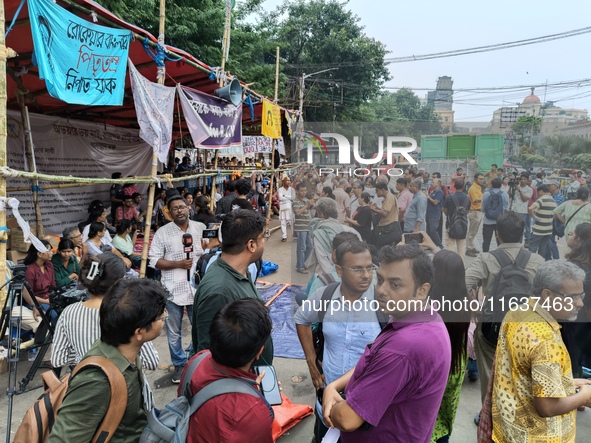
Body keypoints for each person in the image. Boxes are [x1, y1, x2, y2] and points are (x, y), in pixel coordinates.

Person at [322, 245, 451, 442]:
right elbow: (374, 356)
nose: (381, 290)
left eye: (395, 285)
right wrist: (334, 386)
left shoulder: (403, 348)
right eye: (380, 279)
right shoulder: (421, 316)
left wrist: (330, 403)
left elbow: (347, 419)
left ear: (422, 290)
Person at [47, 278, 168, 443]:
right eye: (160, 317)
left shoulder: (124, 348)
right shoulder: (97, 380)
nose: (165, 316)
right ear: (139, 331)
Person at [491, 260, 591, 442]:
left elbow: (522, 372)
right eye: (573, 297)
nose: (580, 304)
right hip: (538, 436)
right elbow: (547, 407)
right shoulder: (546, 341)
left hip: (509, 428)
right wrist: (585, 396)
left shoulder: (517, 312)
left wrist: (565, 381)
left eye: (581, 295)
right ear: (547, 295)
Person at [295, 240, 382, 441]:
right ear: (339, 270)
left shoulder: (382, 302)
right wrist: (311, 361)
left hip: (365, 408)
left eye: (369, 268)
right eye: (357, 269)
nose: (366, 275)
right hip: (326, 403)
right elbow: (301, 319)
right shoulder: (324, 296)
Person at [465, 211, 545, 405]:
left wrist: (474, 306)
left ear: (497, 233)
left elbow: (463, 283)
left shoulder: (485, 259)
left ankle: (489, 415)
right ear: (522, 233)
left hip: (492, 327)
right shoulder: (538, 260)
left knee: (490, 375)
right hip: (527, 331)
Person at [184, 299, 274, 443]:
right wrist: (255, 398)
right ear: (259, 351)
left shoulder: (196, 361)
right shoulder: (253, 413)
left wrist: (251, 390)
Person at [51, 252, 158, 369]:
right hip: (125, 384)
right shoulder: (128, 311)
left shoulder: (69, 312)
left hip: (89, 383)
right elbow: (151, 362)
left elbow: (58, 360)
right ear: (119, 281)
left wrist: (82, 357)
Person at [192, 210, 273, 364]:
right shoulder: (218, 292)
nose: (264, 243)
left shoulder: (241, 271)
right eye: (263, 237)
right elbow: (208, 356)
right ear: (251, 245)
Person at [149, 195, 205, 383]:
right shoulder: (162, 233)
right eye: (175, 208)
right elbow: (154, 260)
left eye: (182, 207)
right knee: (174, 332)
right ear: (169, 212)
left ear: (189, 208)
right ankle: (180, 364)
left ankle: (198, 360)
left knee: (199, 327)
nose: (179, 210)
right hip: (172, 290)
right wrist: (178, 264)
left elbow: (209, 253)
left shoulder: (200, 228)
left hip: (197, 289)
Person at [430, 250, 470, 443]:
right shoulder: (465, 302)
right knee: (444, 407)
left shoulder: (426, 304)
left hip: (433, 361)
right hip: (456, 362)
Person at [307, 198, 360, 277]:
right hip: (353, 276)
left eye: (317, 214)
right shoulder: (351, 231)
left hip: (329, 278)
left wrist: (337, 279)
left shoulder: (319, 235)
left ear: (322, 214)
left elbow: (324, 263)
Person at [443, 180, 471, 260]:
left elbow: (444, 209)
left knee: (450, 245)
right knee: (461, 246)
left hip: (450, 225)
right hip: (463, 226)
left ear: (454, 186)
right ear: (463, 187)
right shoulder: (467, 198)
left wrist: (450, 215)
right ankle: (461, 265)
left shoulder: (449, 197)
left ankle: (449, 264)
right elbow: (468, 211)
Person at [24, 240, 55, 310]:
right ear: (40, 254)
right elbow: (29, 295)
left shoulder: (49, 265)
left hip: (48, 299)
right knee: (53, 315)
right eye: (49, 250)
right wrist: (47, 301)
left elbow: (53, 286)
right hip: (34, 303)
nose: (51, 253)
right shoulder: (30, 270)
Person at [528, 184, 557, 259]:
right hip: (548, 229)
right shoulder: (553, 201)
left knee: (532, 249)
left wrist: (534, 216)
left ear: (541, 191)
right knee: (542, 249)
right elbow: (555, 214)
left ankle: (529, 264)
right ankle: (540, 264)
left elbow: (530, 208)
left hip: (538, 229)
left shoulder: (541, 200)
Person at [481, 178, 509, 253]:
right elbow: (506, 208)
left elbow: (483, 208)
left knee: (486, 241)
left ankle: (485, 255)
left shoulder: (486, 194)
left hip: (487, 221)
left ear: (492, 185)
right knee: (500, 241)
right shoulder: (504, 194)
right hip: (500, 221)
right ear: (501, 185)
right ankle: (500, 256)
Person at [293, 182, 315, 274]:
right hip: (301, 228)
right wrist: (307, 205)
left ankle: (300, 263)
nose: (304, 192)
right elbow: (297, 213)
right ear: (297, 191)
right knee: (301, 248)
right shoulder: (295, 202)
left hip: (307, 227)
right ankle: (300, 266)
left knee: (310, 247)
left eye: (305, 190)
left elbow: (310, 211)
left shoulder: (306, 200)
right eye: (302, 191)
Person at [370, 182, 400, 246]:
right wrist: (377, 208)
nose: (376, 193)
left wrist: (373, 210)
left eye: (377, 191)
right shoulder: (387, 197)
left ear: (383, 190)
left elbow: (385, 213)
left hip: (389, 227)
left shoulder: (389, 197)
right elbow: (385, 210)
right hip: (387, 226)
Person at [510, 172, 533, 247]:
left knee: (519, 228)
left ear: (527, 180)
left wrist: (519, 190)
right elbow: (509, 195)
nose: (522, 180)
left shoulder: (529, 189)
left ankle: (519, 244)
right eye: (521, 179)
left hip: (521, 211)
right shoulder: (516, 187)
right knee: (512, 228)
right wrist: (511, 187)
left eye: (524, 179)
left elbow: (524, 199)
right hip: (512, 210)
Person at [465, 173, 485, 257]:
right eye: (480, 179)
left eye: (483, 179)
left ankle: (472, 246)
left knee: (475, 231)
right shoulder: (473, 188)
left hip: (478, 211)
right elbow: (476, 200)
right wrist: (486, 197)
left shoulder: (479, 187)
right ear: (475, 179)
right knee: (472, 231)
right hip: (474, 212)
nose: (482, 180)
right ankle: (468, 249)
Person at [548, 180, 565, 259]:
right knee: (548, 242)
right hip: (549, 220)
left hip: (553, 221)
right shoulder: (550, 195)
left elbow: (554, 210)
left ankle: (556, 259)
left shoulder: (560, 197)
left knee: (551, 242)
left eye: (550, 185)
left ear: (556, 186)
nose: (549, 187)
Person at [425, 178, 444, 249]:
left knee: (433, 230)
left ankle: (440, 245)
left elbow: (435, 202)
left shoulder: (440, 192)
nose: (431, 183)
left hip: (435, 214)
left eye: (433, 182)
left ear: (438, 184)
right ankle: (430, 245)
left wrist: (428, 196)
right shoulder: (433, 191)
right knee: (429, 230)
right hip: (429, 213)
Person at [278, 176, 295, 242]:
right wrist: (288, 198)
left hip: (289, 207)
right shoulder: (280, 189)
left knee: (291, 222)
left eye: (289, 180)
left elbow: (293, 198)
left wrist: (285, 196)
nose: (288, 182)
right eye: (287, 180)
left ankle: (294, 235)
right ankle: (284, 236)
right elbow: (280, 198)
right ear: (283, 182)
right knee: (283, 222)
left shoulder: (291, 189)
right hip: (282, 207)